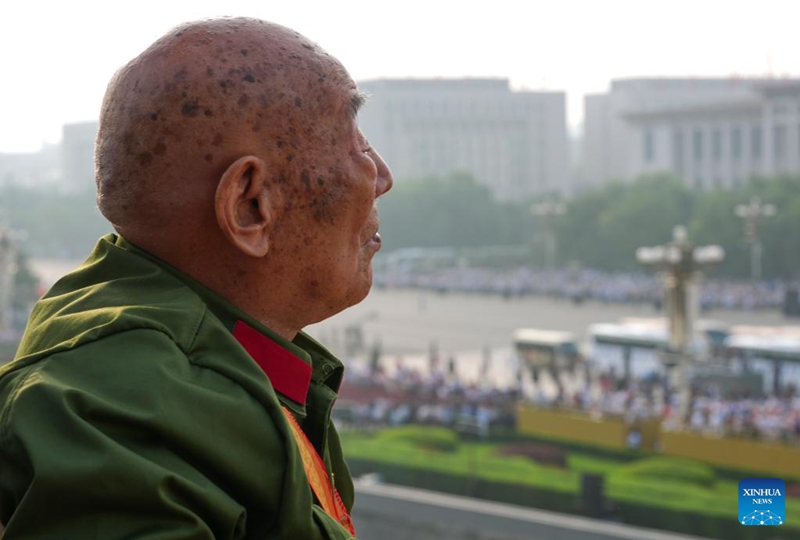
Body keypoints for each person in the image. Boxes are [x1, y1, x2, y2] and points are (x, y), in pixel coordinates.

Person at [0, 16, 392, 539]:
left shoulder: (200, 364)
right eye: (355, 146)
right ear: (250, 206)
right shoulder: (119, 417)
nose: (382, 177)